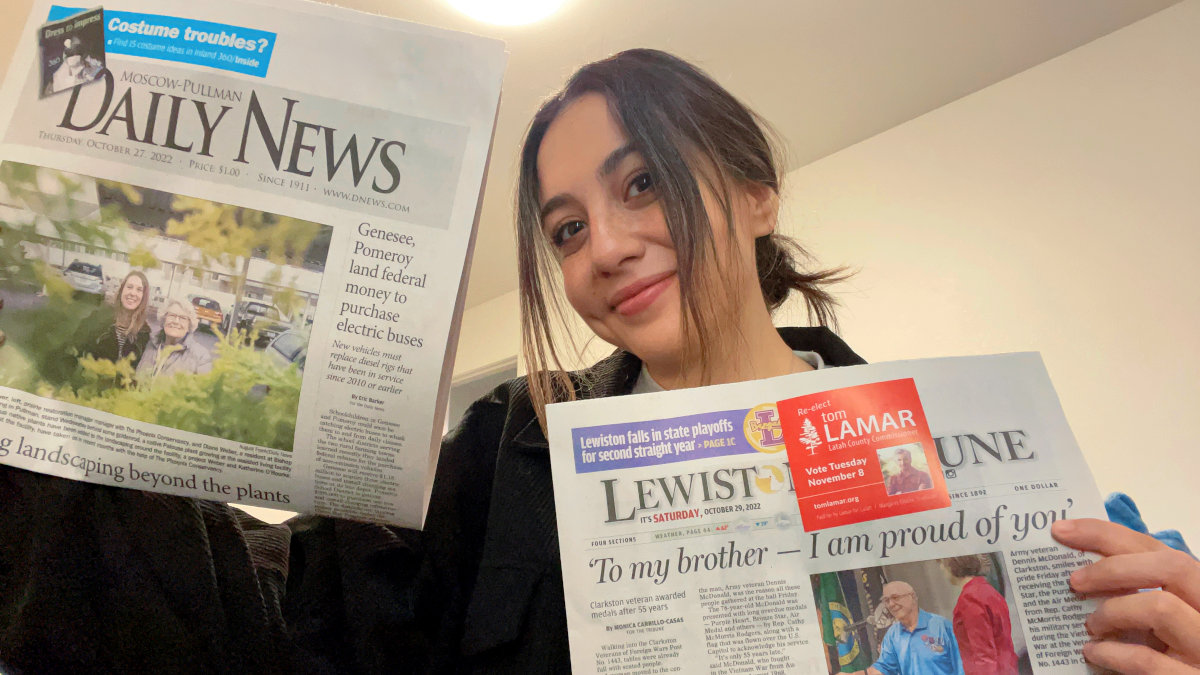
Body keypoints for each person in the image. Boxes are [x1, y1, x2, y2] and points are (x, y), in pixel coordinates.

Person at [1, 49, 1198, 673]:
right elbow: (325, 647)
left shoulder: (960, 456)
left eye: (640, 183)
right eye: (566, 229)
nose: (608, 247)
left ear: (754, 191)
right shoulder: (512, 448)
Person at [856, 581, 964, 675]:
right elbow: (884, 668)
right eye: (886, 600)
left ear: (913, 596)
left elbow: (962, 666)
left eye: (895, 597)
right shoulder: (892, 635)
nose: (891, 604)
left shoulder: (942, 626)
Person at [941, 555, 1019, 675]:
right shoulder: (989, 591)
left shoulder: (970, 598)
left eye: (942, 564)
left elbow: (983, 654)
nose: (941, 568)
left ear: (953, 565)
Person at [78, 269, 152, 367]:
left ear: (143, 296)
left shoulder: (144, 333)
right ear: (122, 290)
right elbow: (74, 349)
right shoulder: (100, 317)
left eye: (139, 290)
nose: (133, 293)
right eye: (129, 287)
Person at [136, 296, 214, 379]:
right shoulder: (149, 343)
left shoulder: (201, 357)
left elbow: (203, 390)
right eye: (172, 315)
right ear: (164, 319)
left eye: (182, 318)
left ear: (189, 325)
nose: (176, 321)